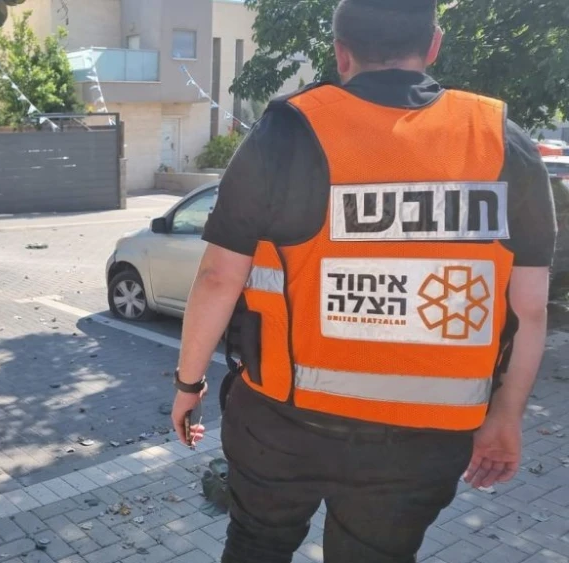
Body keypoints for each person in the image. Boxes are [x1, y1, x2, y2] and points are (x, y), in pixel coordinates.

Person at [170, 0, 556, 562]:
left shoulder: (287, 129)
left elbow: (216, 277)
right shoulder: (502, 141)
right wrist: (506, 415)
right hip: (422, 442)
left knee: (256, 546)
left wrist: (188, 386)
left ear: (341, 52)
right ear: (433, 46)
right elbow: (532, 310)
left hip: (282, 423)